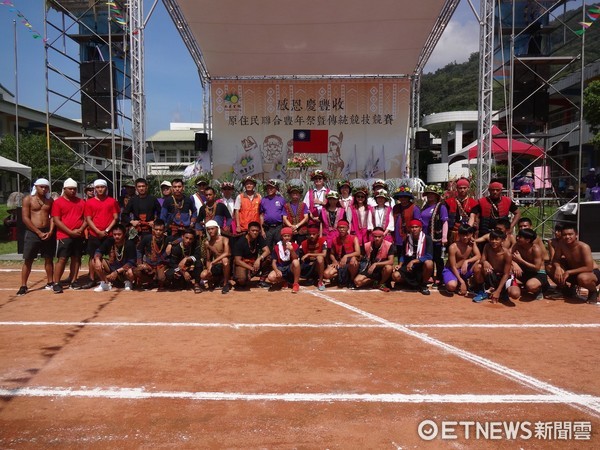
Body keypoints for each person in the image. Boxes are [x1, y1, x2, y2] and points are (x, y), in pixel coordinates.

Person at [17, 178, 55, 296]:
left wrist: (51, 231)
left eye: (46, 187)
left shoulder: (50, 200)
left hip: (47, 231)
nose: (44, 189)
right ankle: (23, 285)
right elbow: (25, 218)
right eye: (41, 187)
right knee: (28, 259)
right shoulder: (28, 199)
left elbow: (53, 216)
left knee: (49, 258)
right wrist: (38, 232)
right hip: (33, 232)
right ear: (36, 187)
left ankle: (50, 282)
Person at [51, 178, 87, 294]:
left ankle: (74, 280)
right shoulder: (58, 203)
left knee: (76, 258)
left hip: (78, 235)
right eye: (70, 189)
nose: (72, 191)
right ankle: (56, 283)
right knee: (62, 258)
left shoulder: (81, 202)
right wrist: (69, 232)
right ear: (64, 189)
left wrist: (81, 229)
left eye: (74, 189)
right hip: (64, 235)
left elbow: (86, 219)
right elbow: (56, 220)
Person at [84, 179, 121, 289]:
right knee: (92, 257)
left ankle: (113, 278)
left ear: (106, 188)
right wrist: (97, 231)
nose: (100, 189)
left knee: (111, 256)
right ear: (95, 189)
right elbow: (88, 219)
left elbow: (115, 218)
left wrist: (106, 230)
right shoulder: (89, 202)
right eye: (98, 187)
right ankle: (92, 279)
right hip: (94, 234)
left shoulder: (112, 201)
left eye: (102, 187)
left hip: (108, 235)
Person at [548, 224, 599, 304]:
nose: (567, 237)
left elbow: (589, 267)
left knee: (583, 278)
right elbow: (555, 259)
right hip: (573, 272)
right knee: (549, 267)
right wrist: (558, 267)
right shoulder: (561, 245)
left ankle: (593, 291)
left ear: (576, 235)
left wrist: (568, 272)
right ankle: (566, 290)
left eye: (570, 234)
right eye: (565, 235)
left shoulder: (584, 247)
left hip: (590, 273)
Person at [392, 219, 433, 295]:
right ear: (410, 229)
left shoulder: (427, 239)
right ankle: (409, 284)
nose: (414, 229)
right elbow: (403, 254)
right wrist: (400, 265)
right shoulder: (407, 239)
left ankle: (423, 285)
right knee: (395, 276)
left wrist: (413, 261)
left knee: (429, 263)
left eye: (416, 227)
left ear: (420, 228)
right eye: (412, 227)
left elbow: (429, 256)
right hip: (408, 266)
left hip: (421, 265)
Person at [472, 230, 514, 303]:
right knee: (477, 267)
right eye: (492, 239)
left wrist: (498, 291)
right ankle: (482, 291)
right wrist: (485, 262)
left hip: (502, 277)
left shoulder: (507, 254)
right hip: (491, 274)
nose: (494, 241)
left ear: (502, 241)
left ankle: (501, 292)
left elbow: (506, 274)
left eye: (497, 239)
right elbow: (482, 260)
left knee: (515, 293)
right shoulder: (487, 246)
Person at [92, 223, 136, 292]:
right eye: (114, 234)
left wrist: (117, 272)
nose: (117, 236)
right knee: (94, 261)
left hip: (124, 271)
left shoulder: (129, 244)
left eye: (119, 234)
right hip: (113, 268)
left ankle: (128, 282)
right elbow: (99, 251)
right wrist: (97, 259)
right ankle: (105, 283)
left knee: (130, 272)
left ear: (124, 234)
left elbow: (132, 261)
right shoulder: (109, 241)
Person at [420, 185, 448, 285]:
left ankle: (439, 276)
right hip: (426, 237)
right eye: (428, 194)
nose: (430, 196)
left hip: (437, 237)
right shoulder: (424, 207)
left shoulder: (441, 207)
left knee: (438, 258)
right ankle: (430, 275)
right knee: (429, 257)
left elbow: (445, 222)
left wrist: (444, 237)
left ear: (437, 196)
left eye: (433, 194)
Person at [442, 224, 480, 296]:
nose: (465, 237)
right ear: (459, 235)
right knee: (452, 286)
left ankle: (472, 283)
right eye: (463, 235)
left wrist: (467, 261)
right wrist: (462, 281)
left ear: (471, 234)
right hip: (452, 270)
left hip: (463, 269)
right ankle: (459, 282)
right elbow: (453, 267)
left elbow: (478, 256)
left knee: (478, 263)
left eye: (467, 235)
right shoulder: (453, 247)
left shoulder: (471, 244)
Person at [353, 227, 395, 292]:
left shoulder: (389, 245)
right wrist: (354, 258)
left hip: (382, 269)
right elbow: (360, 256)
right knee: (357, 281)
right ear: (372, 236)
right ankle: (375, 282)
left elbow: (391, 261)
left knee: (389, 268)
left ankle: (381, 283)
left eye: (379, 237)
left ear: (383, 236)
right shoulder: (367, 245)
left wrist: (376, 264)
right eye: (375, 237)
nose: (377, 238)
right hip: (371, 269)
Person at [510, 228, 547, 300]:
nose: (517, 238)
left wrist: (520, 260)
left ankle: (539, 289)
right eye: (518, 236)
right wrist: (514, 263)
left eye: (520, 237)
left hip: (538, 273)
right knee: (509, 267)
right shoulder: (517, 245)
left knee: (530, 286)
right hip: (525, 271)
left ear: (527, 240)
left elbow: (537, 267)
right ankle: (509, 287)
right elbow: (507, 255)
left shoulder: (535, 249)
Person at [232, 221, 271, 289]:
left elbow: (267, 251)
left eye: (257, 231)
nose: (255, 232)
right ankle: (239, 280)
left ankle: (261, 281)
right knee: (242, 279)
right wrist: (251, 268)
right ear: (248, 231)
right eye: (253, 230)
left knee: (269, 258)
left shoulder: (259, 237)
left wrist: (259, 259)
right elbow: (237, 261)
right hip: (243, 263)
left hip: (254, 262)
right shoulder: (240, 242)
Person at [323, 220, 361, 288]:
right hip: (339, 262)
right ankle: (340, 278)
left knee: (353, 261)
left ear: (348, 228)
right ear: (337, 229)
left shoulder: (353, 238)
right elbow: (331, 254)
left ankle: (351, 279)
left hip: (351, 261)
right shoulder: (335, 240)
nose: (342, 229)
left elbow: (358, 252)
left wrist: (346, 256)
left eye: (344, 227)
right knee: (327, 274)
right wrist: (334, 261)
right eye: (340, 228)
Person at [135, 219, 169, 290]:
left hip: (161, 264)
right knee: (137, 270)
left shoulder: (167, 239)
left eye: (160, 230)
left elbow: (180, 239)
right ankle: (149, 281)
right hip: (149, 264)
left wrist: (171, 244)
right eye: (156, 229)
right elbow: (139, 249)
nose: (158, 232)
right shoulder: (147, 238)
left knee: (161, 278)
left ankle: (159, 280)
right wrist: (139, 263)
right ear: (153, 229)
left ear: (164, 230)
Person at [166, 228, 203, 292]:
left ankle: (196, 284)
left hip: (191, 267)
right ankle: (179, 283)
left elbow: (198, 256)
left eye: (191, 239)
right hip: (179, 268)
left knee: (199, 262)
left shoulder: (195, 244)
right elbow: (172, 263)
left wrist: (188, 258)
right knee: (169, 274)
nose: (188, 240)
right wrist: (183, 272)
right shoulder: (176, 248)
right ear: (182, 237)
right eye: (186, 238)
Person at [200, 220, 232, 294]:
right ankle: (217, 280)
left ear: (217, 228)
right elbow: (208, 259)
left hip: (226, 265)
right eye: (208, 229)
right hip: (216, 265)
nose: (210, 231)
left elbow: (227, 253)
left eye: (212, 228)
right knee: (203, 275)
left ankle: (225, 283)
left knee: (225, 260)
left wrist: (212, 262)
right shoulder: (208, 243)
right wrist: (209, 270)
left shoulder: (224, 239)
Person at [266, 227, 301, 293]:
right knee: (271, 277)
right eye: (285, 236)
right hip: (280, 267)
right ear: (282, 237)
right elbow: (273, 262)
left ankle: (295, 284)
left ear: (291, 236)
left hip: (290, 268)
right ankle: (284, 281)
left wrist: (291, 250)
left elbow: (295, 258)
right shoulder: (277, 247)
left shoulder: (295, 246)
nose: (287, 238)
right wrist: (276, 271)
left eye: (288, 236)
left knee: (296, 262)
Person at [445, 177, 477, 244]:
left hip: (467, 231)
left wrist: (467, 232)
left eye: (464, 188)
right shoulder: (449, 202)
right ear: (457, 189)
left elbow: (472, 218)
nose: (462, 190)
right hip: (453, 231)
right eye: (460, 188)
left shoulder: (473, 203)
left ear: (468, 188)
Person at [392, 185, 421, 259]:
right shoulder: (395, 207)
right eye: (401, 197)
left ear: (409, 198)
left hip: (409, 235)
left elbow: (417, 223)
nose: (403, 198)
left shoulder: (414, 208)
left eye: (405, 197)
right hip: (398, 235)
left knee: (409, 255)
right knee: (399, 254)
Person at [299, 225, 328, 291]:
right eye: (310, 234)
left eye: (314, 234)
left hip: (318, 265)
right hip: (308, 264)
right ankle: (310, 278)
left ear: (317, 234)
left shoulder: (323, 241)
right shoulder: (303, 243)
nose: (311, 236)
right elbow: (301, 257)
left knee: (320, 258)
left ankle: (320, 281)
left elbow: (324, 254)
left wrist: (309, 254)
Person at [260, 179, 286, 249]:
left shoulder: (281, 200)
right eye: (268, 188)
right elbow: (261, 215)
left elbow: (285, 215)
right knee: (267, 247)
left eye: (271, 188)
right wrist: (262, 230)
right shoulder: (263, 200)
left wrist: (284, 228)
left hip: (278, 227)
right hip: (267, 228)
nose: (269, 190)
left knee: (279, 246)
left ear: (276, 189)